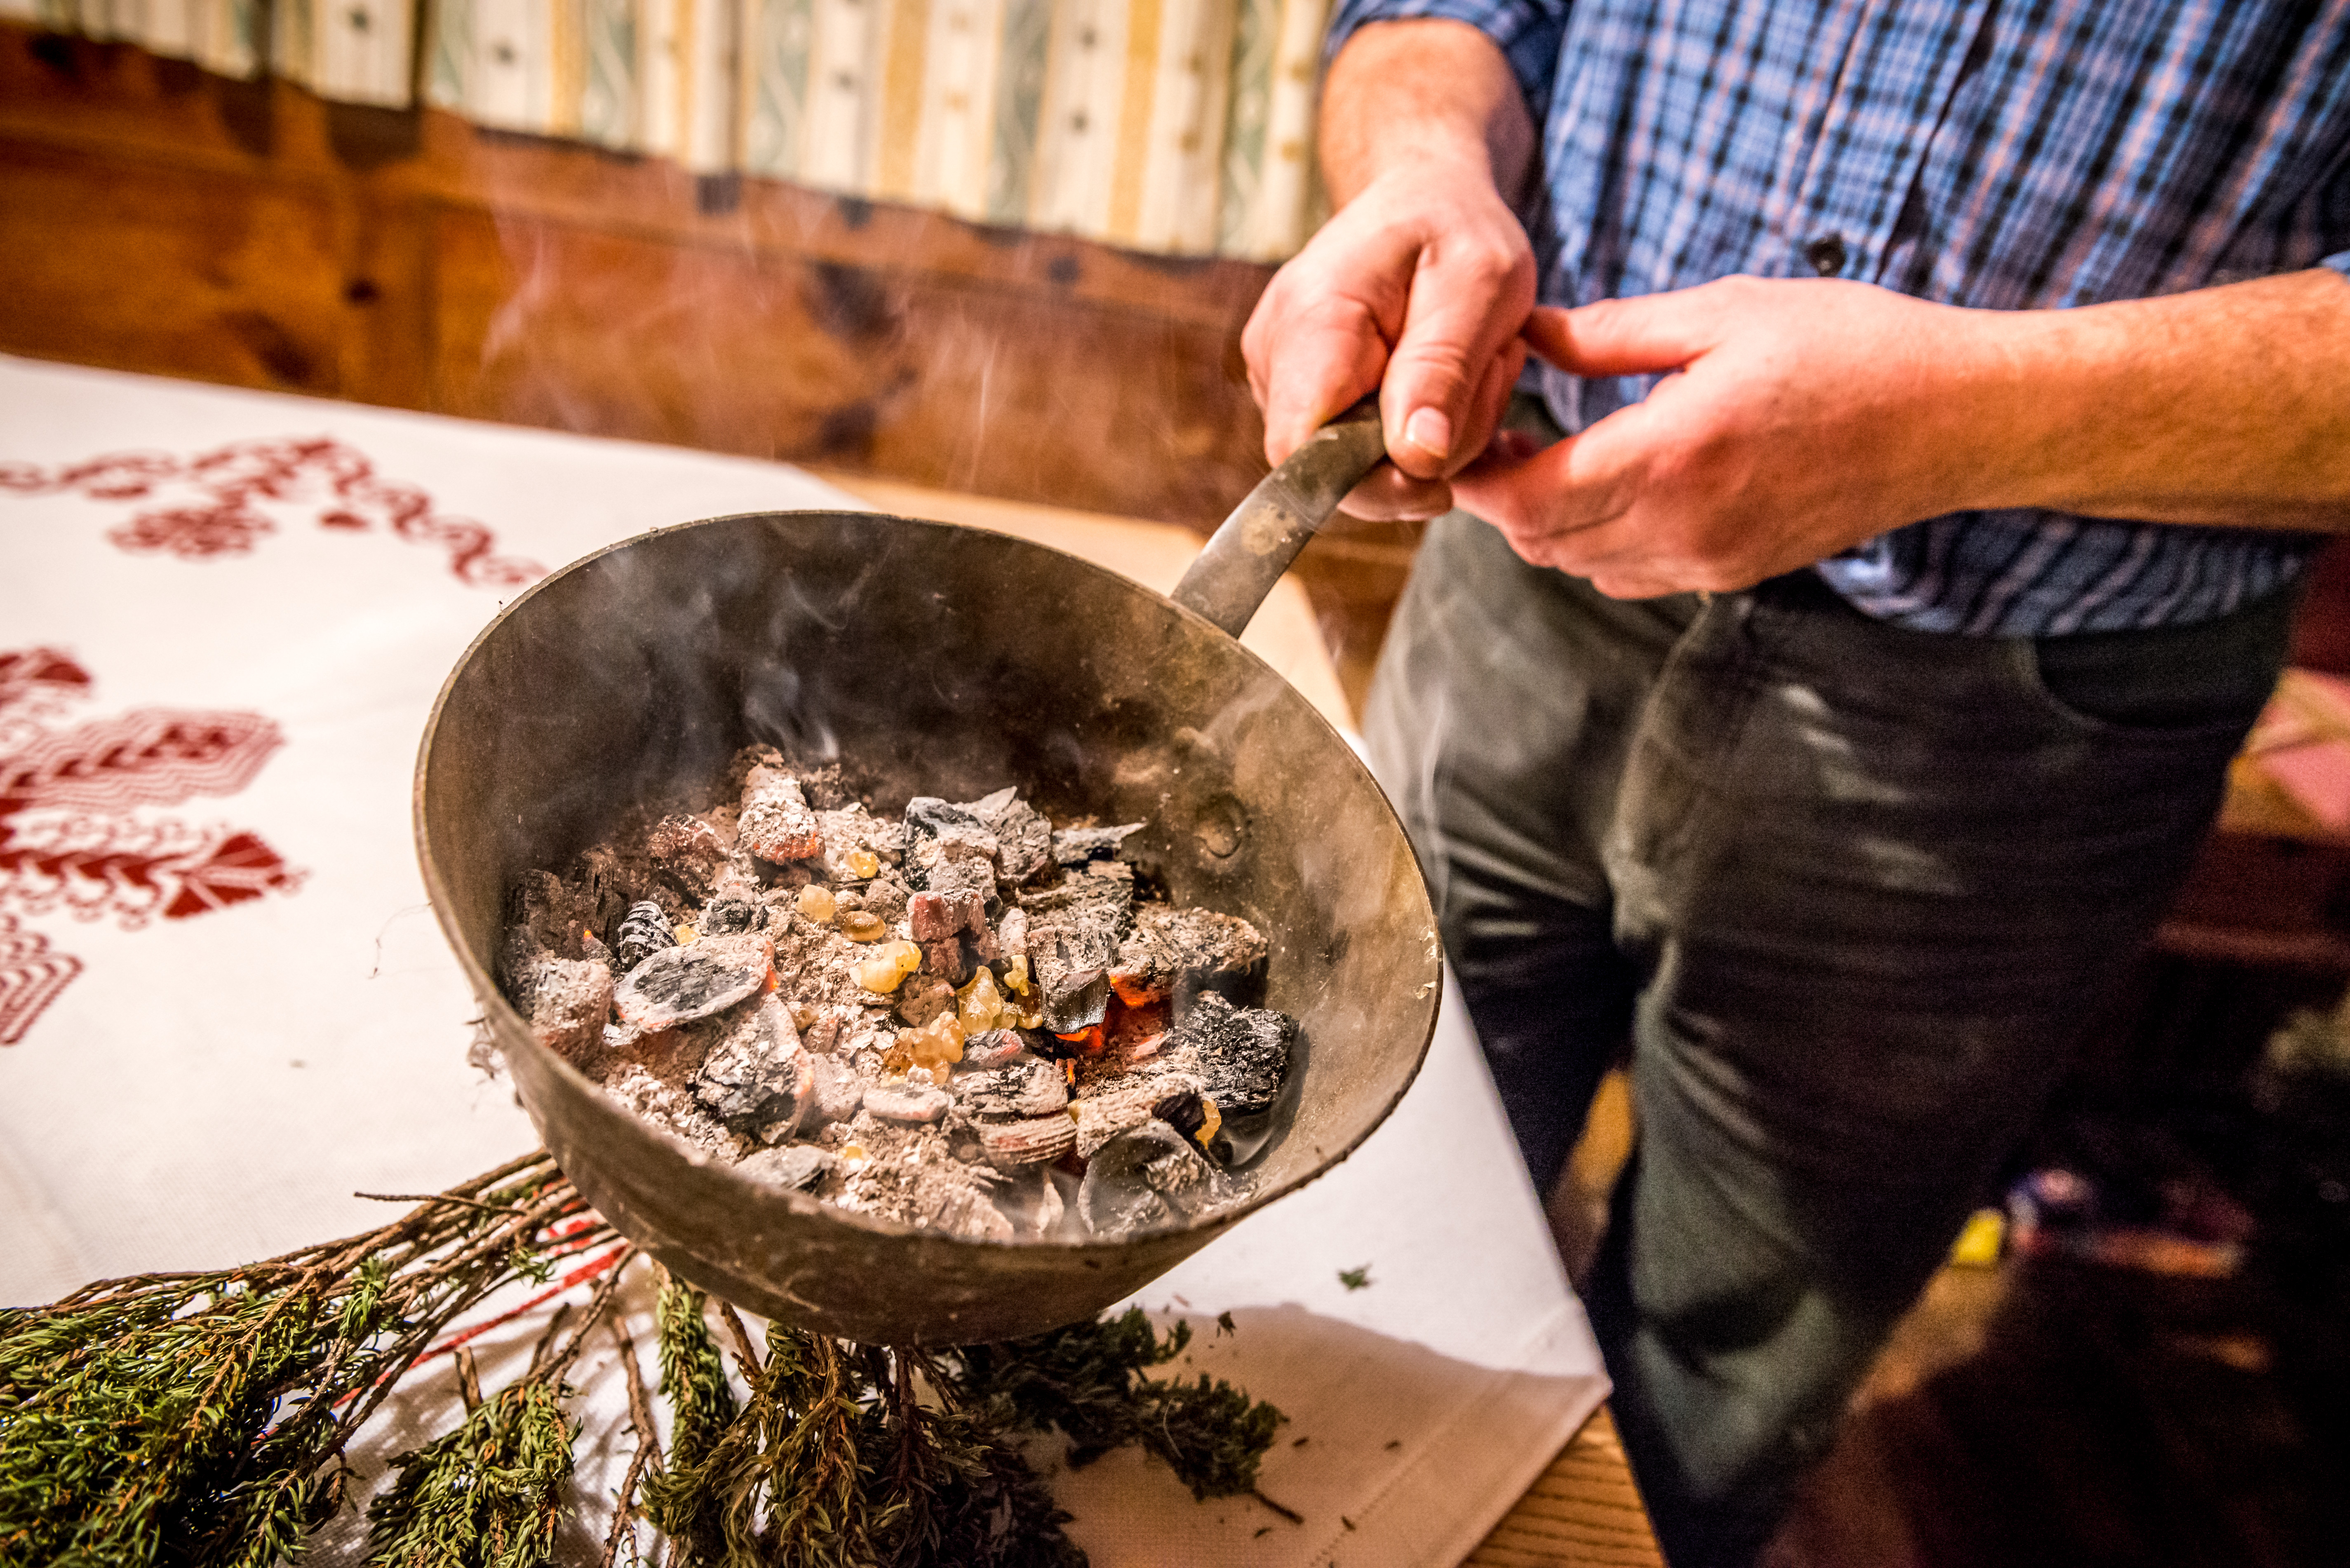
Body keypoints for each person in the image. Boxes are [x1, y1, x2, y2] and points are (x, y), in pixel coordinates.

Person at [1240, 4, 2350, 1563]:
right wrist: (1425, 157)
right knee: (1328, 1191)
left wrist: (1966, 412)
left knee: (1721, 1373)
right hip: (1525, 578)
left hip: (2028, 698)